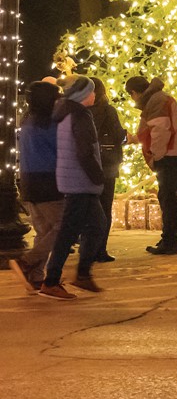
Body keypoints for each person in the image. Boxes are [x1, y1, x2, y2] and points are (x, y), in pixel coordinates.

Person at [39, 75, 107, 300]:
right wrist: (98, 175)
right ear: (82, 95)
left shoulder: (66, 113)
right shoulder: (79, 114)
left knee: (97, 225)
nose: (94, 94)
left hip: (76, 179)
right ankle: (51, 281)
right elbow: (84, 150)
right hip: (81, 180)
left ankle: (83, 274)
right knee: (69, 232)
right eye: (91, 91)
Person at [126, 76, 177, 255]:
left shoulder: (156, 101)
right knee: (172, 196)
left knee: (168, 197)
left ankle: (170, 241)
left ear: (134, 93)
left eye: (131, 96)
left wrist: (156, 155)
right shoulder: (159, 98)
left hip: (171, 154)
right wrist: (137, 138)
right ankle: (169, 237)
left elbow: (160, 129)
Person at [9, 81, 64, 293]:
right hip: (48, 180)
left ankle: (35, 276)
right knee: (63, 227)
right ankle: (27, 262)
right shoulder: (51, 124)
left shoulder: (27, 121)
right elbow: (62, 151)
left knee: (43, 230)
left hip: (28, 180)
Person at [88, 78, 127, 263]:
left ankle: (87, 248)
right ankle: (100, 250)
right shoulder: (108, 110)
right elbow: (119, 136)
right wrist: (128, 137)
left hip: (86, 165)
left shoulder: (80, 111)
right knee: (104, 207)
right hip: (108, 165)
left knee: (88, 207)